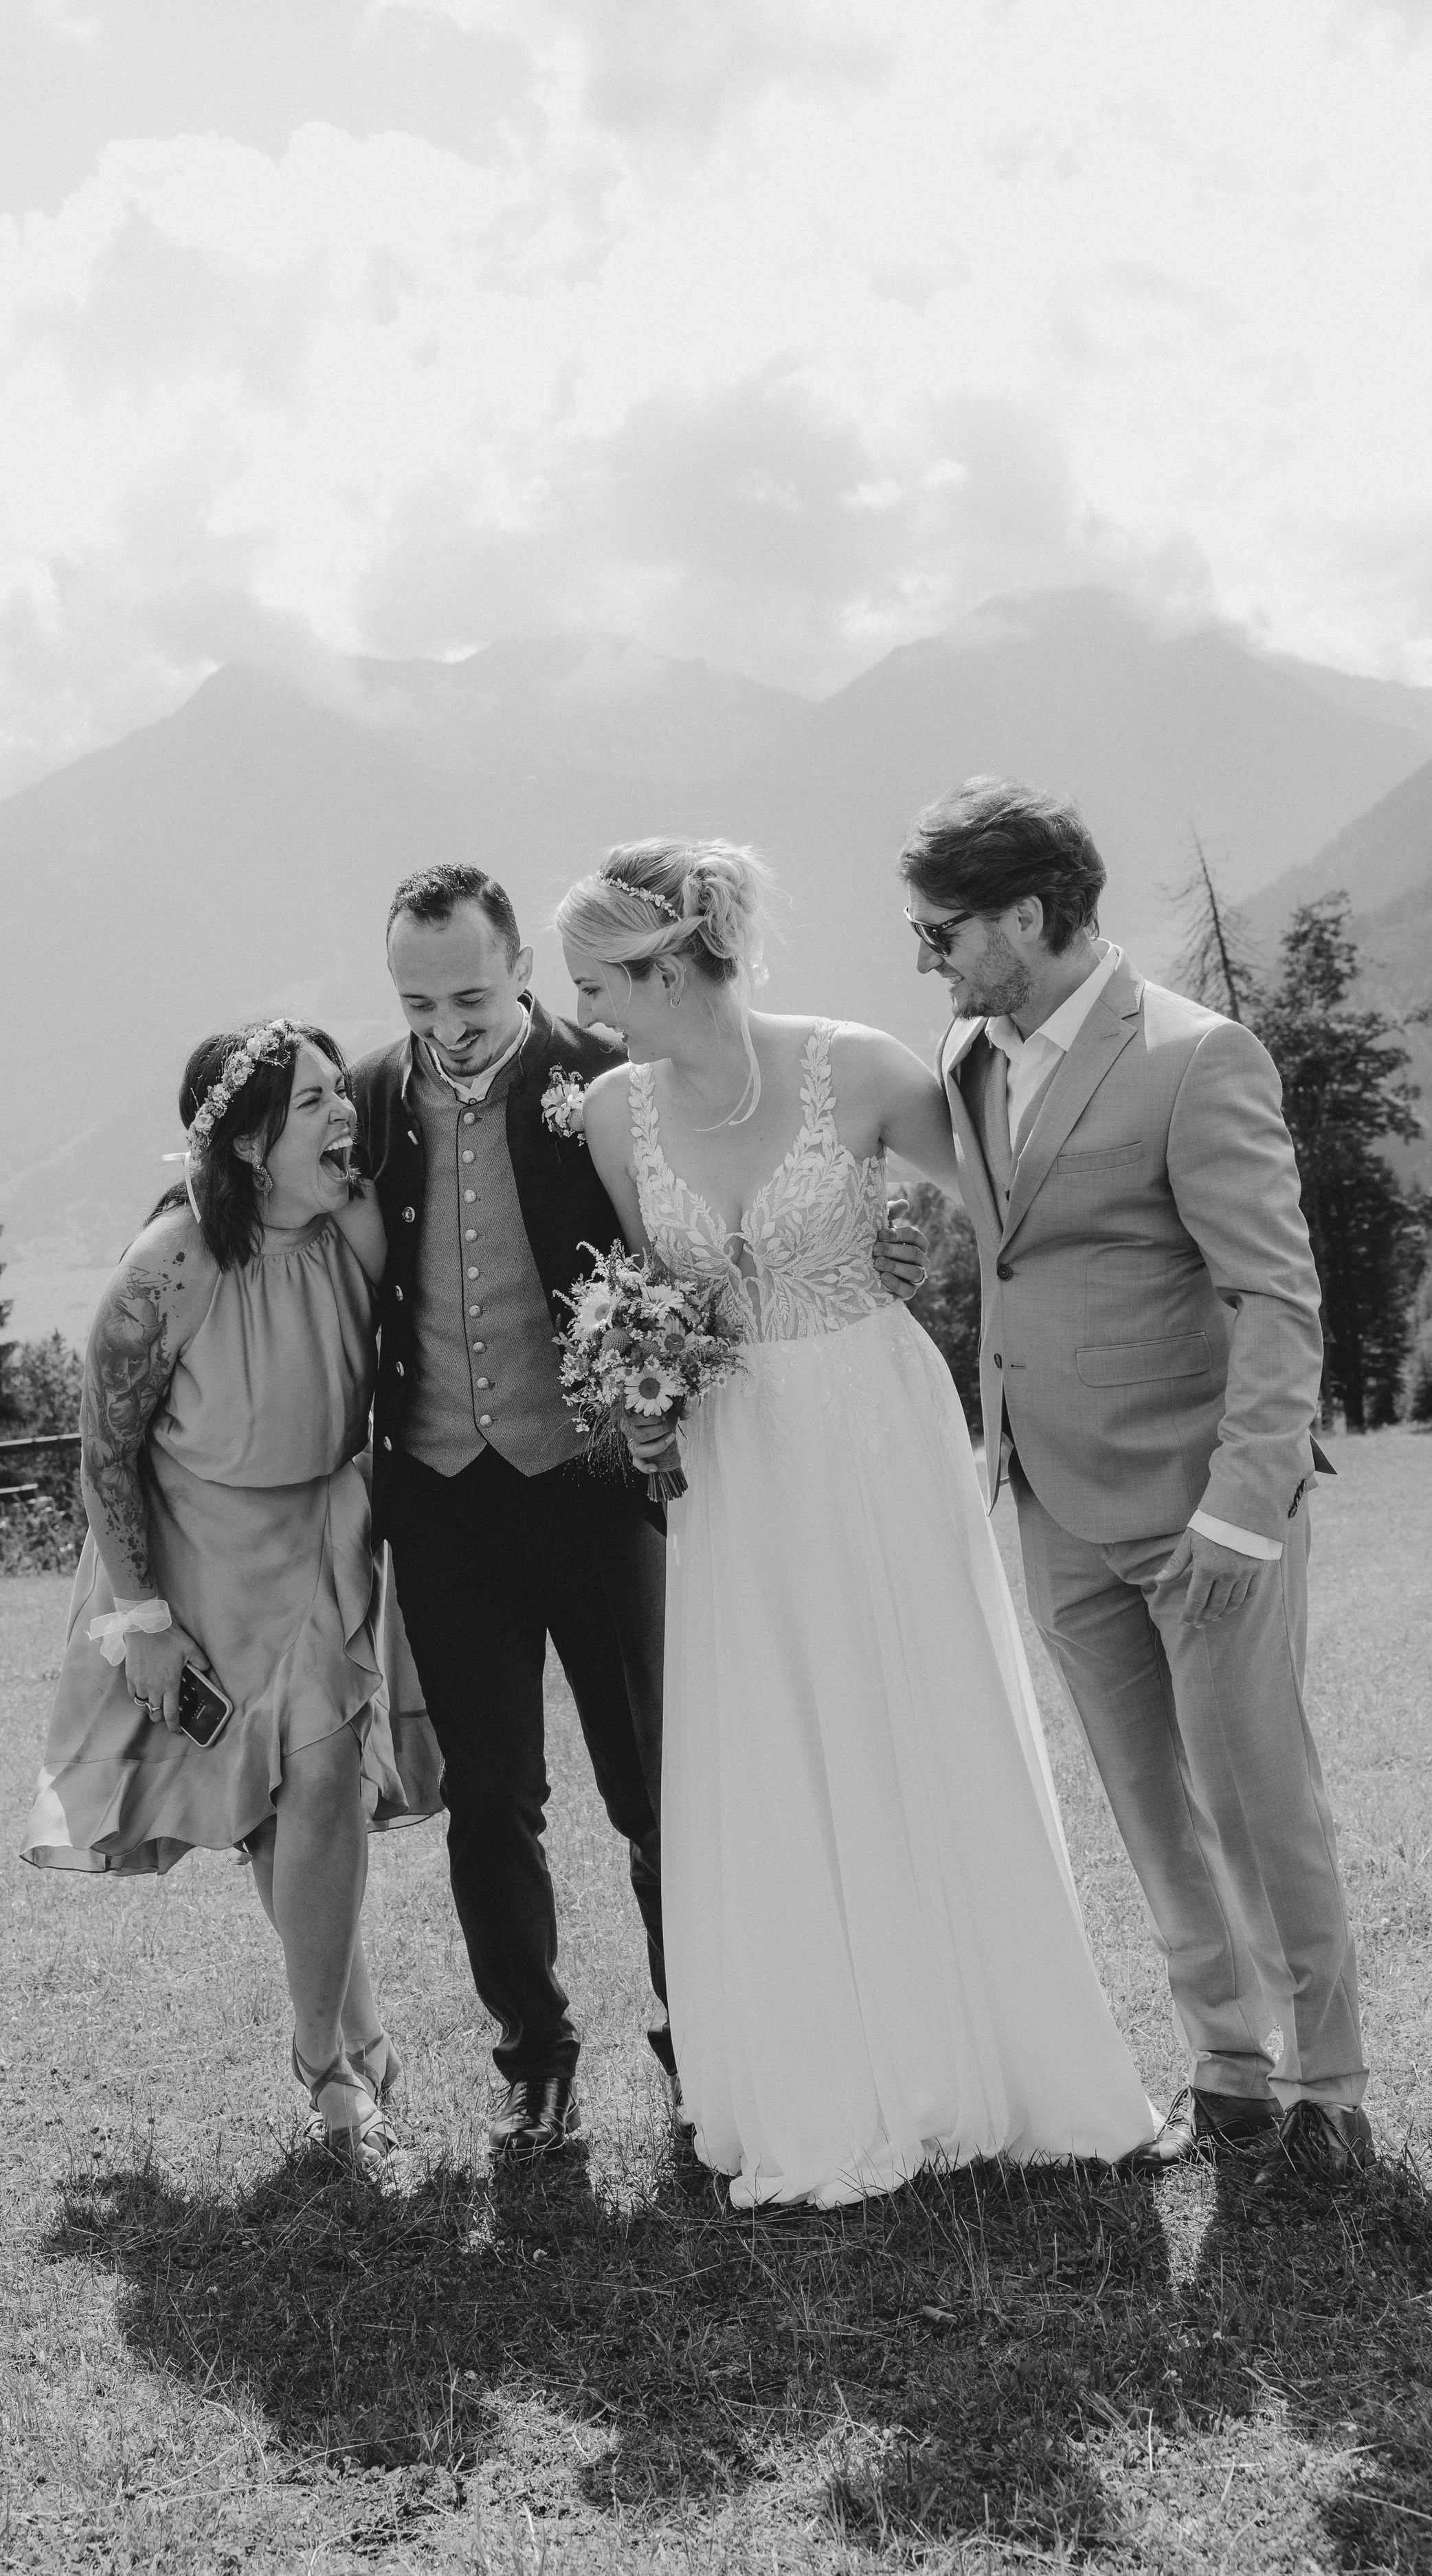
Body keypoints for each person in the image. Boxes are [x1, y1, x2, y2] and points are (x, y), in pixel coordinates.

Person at [561, 837, 1157, 2209]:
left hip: (875, 1427)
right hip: (730, 1459)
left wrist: (927, 1245)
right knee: (771, 1731)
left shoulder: (863, 1067)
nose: (583, 1007)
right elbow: (657, 1294)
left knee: (913, 1704)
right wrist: (644, 1396)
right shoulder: (609, 1115)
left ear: (669, 962)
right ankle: (817, 2067)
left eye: (600, 980)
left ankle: (985, 2054)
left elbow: (1001, 1218)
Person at [350, 861, 935, 2162]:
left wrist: (892, 1235)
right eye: (415, 999)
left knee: (657, 1784)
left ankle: (700, 2041)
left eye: (469, 992)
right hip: (441, 1498)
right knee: (491, 1794)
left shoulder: (604, 1084)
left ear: (516, 969)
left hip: (600, 1484)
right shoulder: (373, 1095)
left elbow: (710, 1227)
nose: (444, 1022)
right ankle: (534, 2055)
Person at [904, 777, 1369, 2191]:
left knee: (1254, 1801)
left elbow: (1273, 1299)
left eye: (944, 930)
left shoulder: (1194, 1055)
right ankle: (1225, 2073)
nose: (928, 955)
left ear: (1030, 916)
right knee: (1148, 1812)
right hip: (1049, 1502)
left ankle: (1328, 2091)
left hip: (1198, 1510)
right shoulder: (969, 1061)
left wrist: (1244, 1503)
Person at [23, 1019, 440, 2175]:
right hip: (200, 1546)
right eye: (313, 1104)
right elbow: (101, 1456)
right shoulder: (169, 1266)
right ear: (252, 1141)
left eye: (334, 1095)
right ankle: (349, 2043)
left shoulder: (354, 1217)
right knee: (273, 1796)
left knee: (320, 1776)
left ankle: (327, 2059)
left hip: (325, 1529)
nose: (341, 1117)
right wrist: (143, 1625)